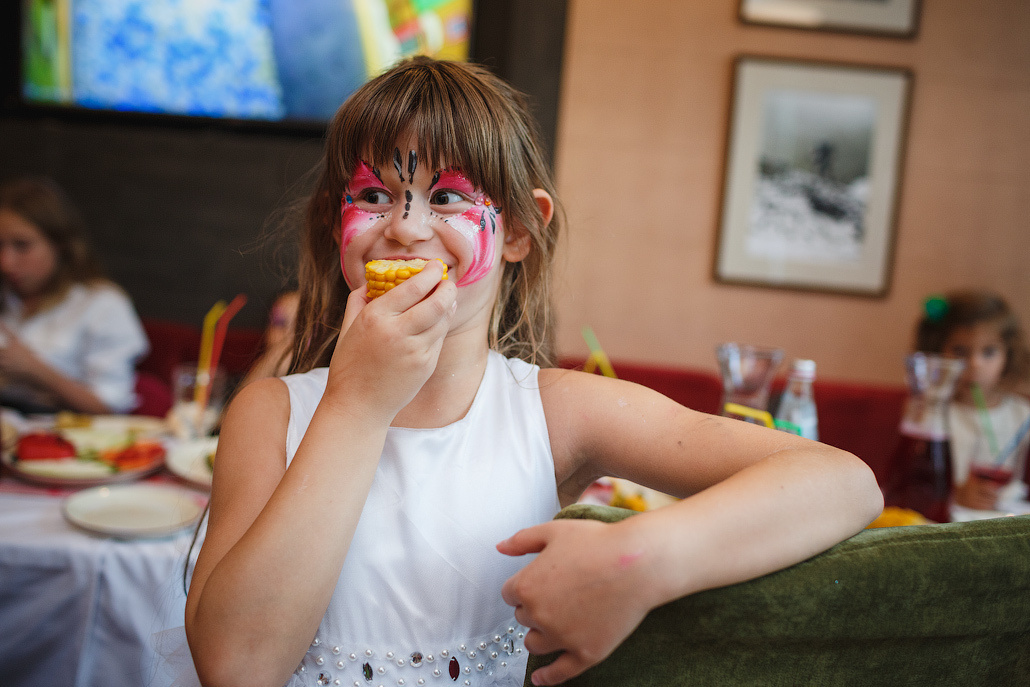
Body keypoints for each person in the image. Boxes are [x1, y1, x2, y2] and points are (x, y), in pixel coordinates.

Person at [182, 57, 882, 687]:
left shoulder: (555, 413)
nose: (405, 227)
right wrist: (357, 405)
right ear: (337, 220)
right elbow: (236, 666)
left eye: (446, 197)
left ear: (518, 229)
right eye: (372, 196)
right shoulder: (270, 415)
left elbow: (844, 482)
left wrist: (638, 562)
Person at [0, 177, 149, 414]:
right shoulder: (8, 298)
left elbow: (110, 407)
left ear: (59, 244)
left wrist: (35, 370)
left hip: (62, 430)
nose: (6, 263)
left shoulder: (101, 303)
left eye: (22, 245)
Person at [916, 290, 1030, 511]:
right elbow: (917, 481)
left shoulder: (1022, 414)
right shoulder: (931, 411)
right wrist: (956, 493)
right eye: (960, 351)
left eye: (989, 352)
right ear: (938, 352)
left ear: (1008, 355)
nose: (975, 364)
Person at [238, 289, 300, 386]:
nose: (289, 334)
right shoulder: (252, 370)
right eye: (280, 323)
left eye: (300, 326)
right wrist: (268, 366)